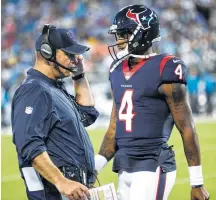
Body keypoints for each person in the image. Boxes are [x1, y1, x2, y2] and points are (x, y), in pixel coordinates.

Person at [94, 5, 210, 200]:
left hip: (153, 164)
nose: (119, 41)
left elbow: (187, 127)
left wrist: (196, 182)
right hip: (124, 167)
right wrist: (94, 168)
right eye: (118, 35)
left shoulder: (166, 67)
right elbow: (114, 128)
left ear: (144, 33)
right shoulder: (116, 69)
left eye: (124, 34)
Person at [11, 24, 99, 200]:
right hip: (55, 193)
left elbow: (87, 115)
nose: (76, 59)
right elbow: (28, 143)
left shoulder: (52, 87)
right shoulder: (34, 90)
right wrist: (62, 182)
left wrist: (79, 76)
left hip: (73, 190)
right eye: (69, 54)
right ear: (47, 52)